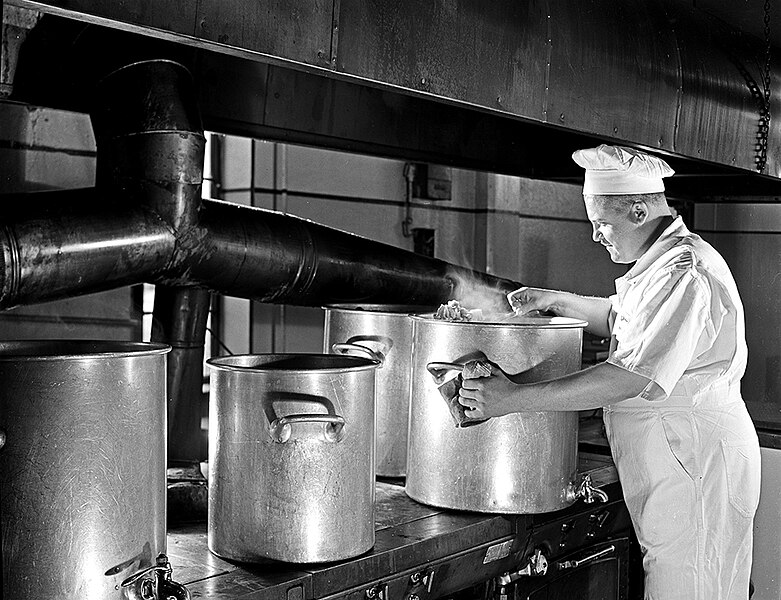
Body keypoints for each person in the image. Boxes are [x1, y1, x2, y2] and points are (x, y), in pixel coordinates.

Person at [458, 144, 761, 600]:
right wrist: (555, 299)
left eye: (602, 224)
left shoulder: (685, 271)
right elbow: (624, 317)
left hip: (694, 462)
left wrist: (510, 400)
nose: (597, 237)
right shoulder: (660, 262)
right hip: (677, 458)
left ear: (639, 210)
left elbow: (627, 377)